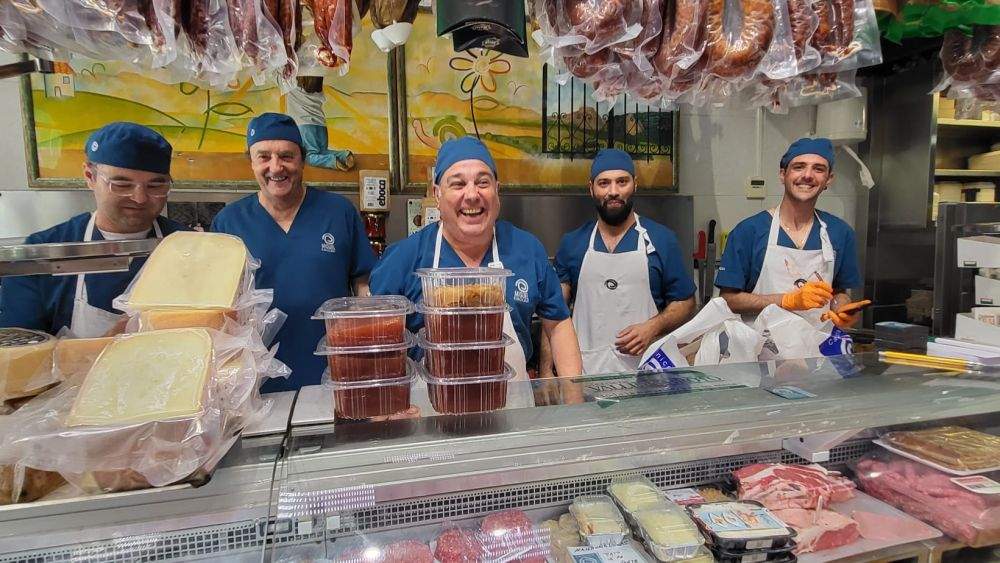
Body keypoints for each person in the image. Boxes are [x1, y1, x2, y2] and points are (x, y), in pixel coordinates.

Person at [369, 136, 583, 408]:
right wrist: (388, 410)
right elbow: (378, 346)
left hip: (512, 409)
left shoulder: (527, 249)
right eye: (457, 184)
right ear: (437, 194)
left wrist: (575, 402)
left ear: (497, 191)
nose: (472, 195)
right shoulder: (404, 258)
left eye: (483, 182)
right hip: (431, 413)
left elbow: (558, 323)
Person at [211, 112, 376, 392]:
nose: (276, 167)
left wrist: (371, 338)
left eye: (286, 156)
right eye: (264, 157)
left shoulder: (338, 212)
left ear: (302, 160)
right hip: (256, 377)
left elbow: (362, 282)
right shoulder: (229, 222)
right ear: (251, 162)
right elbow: (218, 308)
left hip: (333, 369)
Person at [0, 122, 186, 337]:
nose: (139, 198)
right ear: (90, 176)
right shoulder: (42, 254)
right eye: (122, 185)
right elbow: (20, 350)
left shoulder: (189, 246)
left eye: (155, 186)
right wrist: (106, 347)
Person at [551, 149, 696, 375]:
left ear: (635, 184)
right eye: (604, 183)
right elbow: (553, 311)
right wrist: (547, 371)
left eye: (622, 182)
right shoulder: (573, 243)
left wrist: (653, 326)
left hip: (646, 373)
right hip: (584, 371)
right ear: (591, 188)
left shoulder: (662, 240)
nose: (613, 191)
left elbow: (686, 302)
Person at [715, 137, 866, 327]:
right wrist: (786, 300)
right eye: (799, 167)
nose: (808, 175)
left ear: (829, 179)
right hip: (760, 343)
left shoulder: (841, 233)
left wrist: (842, 308)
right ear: (782, 174)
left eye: (819, 169)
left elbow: (839, 292)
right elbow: (728, 300)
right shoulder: (749, 232)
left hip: (816, 343)